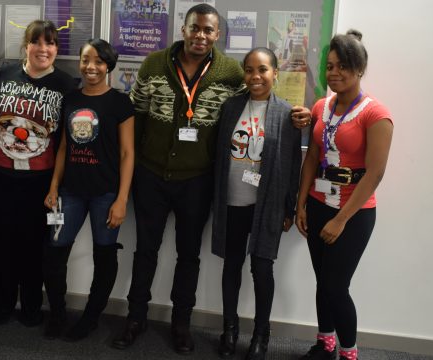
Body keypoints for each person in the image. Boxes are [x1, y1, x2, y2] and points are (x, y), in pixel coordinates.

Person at [111, 3, 312, 354]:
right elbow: (136, 116)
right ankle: (135, 319)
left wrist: (297, 115)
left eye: (208, 30)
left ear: (218, 34)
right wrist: (129, 174)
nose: (200, 35)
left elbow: (258, 100)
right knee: (145, 250)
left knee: (189, 255)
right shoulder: (154, 64)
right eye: (194, 28)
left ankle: (181, 324)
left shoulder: (231, 72)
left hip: (197, 181)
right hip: (152, 176)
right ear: (183, 29)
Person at [295, 30, 393, 360]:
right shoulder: (321, 106)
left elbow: (375, 173)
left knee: (337, 287)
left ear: (360, 69)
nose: (333, 73)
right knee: (323, 283)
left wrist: (340, 219)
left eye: (342, 67)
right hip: (318, 203)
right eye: (330, 66)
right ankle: (325, 345)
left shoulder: (375, 114)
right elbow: (311, 157)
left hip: (354, 212)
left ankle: (349, 353)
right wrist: (301, 203)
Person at [211, 47, 302, 360]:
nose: (255, 76)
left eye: (262, 69)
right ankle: (230, 329)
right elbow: (217, 156)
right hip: (233, 203)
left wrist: (289, 209)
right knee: (231, 267)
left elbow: (293, 167)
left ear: (275, 72)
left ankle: (261, 335)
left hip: (266, 207)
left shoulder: (286, 114)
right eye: (249, 70)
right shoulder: (232, 107)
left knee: (262, 270)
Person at [42, 38, 134, 341]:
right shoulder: (70, 98)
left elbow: (126, 154)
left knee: (104, 256)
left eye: (98, 61)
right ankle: (57, 314)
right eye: (85, 60)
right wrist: (54, 187)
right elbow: (64, 146)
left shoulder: (120, 103)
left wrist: (121, 200)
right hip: (70, 191)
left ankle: (91, 317)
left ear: (108, 65)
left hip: (105, 193)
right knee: (54, 254)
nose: (90, 67)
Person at [0, 20, 76, 327]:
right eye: (37, 42)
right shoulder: (4, 74)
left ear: (56, 49)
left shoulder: (66, 84)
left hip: (41, 180)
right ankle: (2, 303)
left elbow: (68, 138)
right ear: (26, 46)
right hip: (1, 175)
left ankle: (30, 306)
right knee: (3, 242)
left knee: (34, 245)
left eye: (50, 43)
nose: (43, 49)